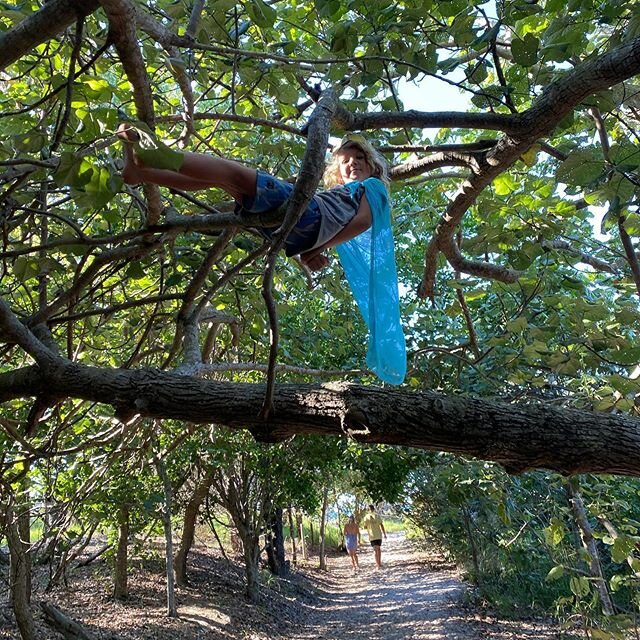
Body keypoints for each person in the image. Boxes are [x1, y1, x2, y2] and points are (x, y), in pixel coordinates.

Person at [117, 124, 406, 384]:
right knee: (229, 183)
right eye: (345, 162)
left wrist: (315, 248)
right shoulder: (344, 195)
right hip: (300, 226)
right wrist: (310, 250)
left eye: (359, 159)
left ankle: (151, 156)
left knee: (232, 173)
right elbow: (336, 228)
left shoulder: (374, 186)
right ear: (337, 173)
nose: (353, 164)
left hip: (307, 218)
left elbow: (362, 222)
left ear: (372, 166)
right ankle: (142, 173)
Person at [362, 504, 387, 569]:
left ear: (368, 510)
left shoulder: (366, 517)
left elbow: (364, 527)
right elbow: (381, 525)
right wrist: (384, 534)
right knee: (378, 549)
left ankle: (378, 565)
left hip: (372, 536)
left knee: (376, 550)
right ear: (374, 509)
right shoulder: (377, 516)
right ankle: (379, 563)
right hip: (378, 535)